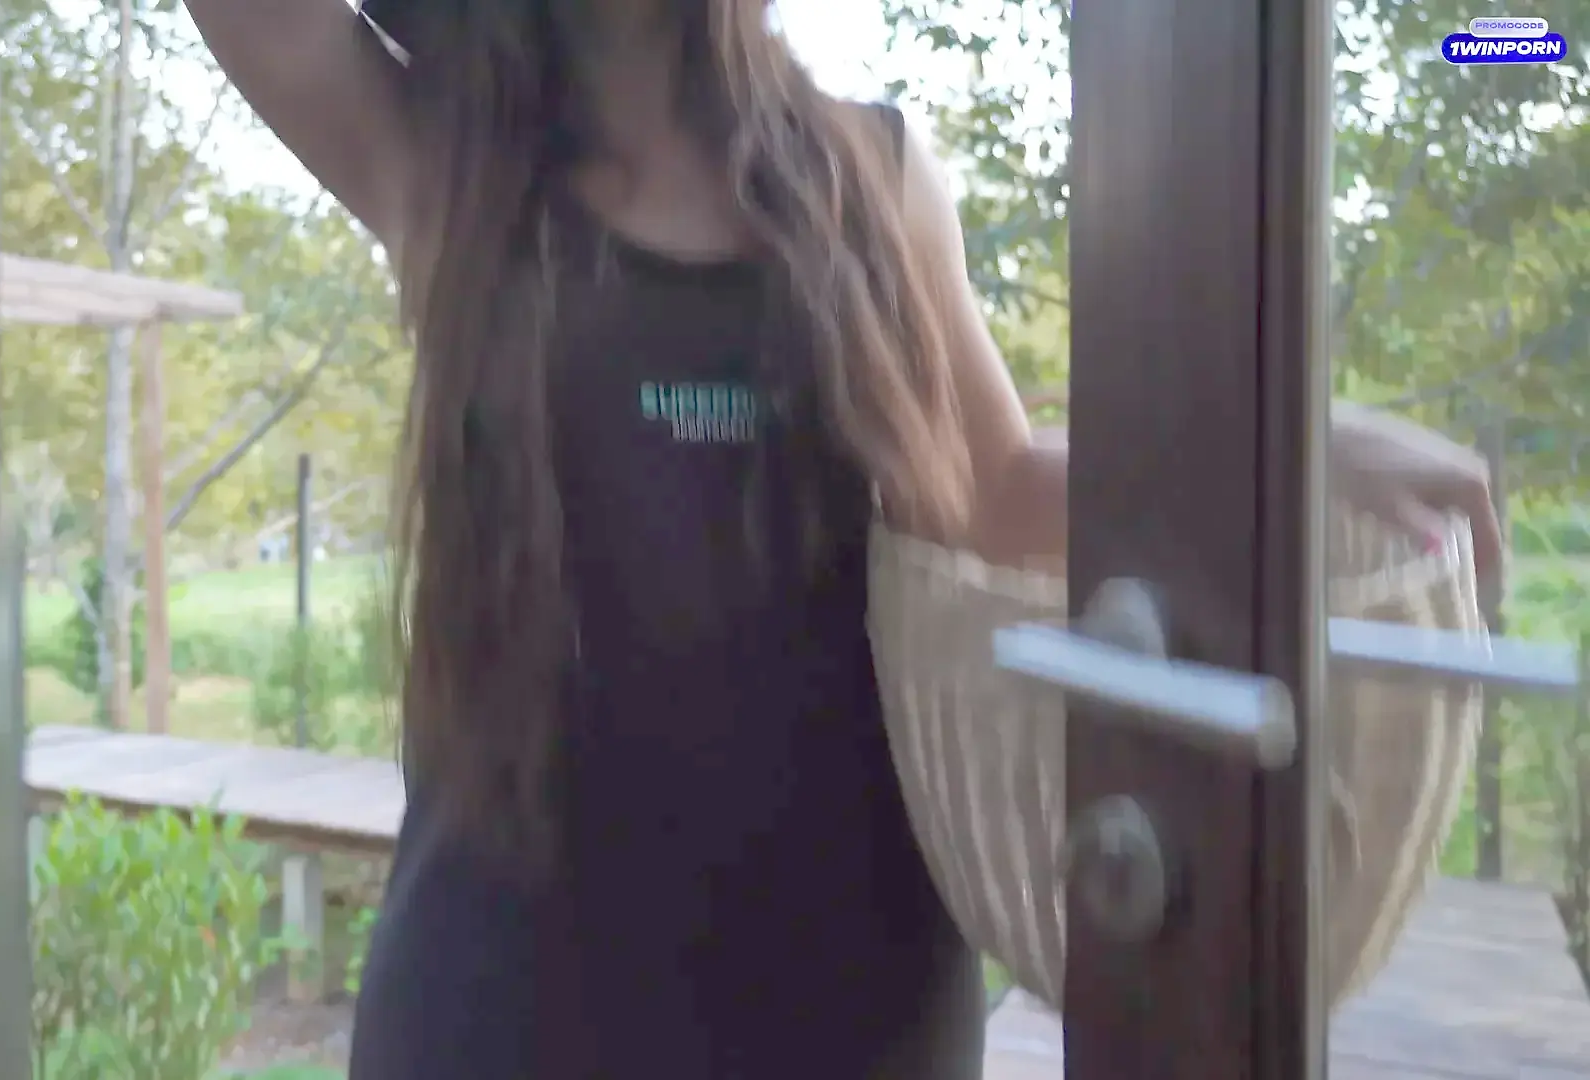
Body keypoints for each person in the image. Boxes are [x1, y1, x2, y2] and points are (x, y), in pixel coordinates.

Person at [184, 2, 1505, 1077]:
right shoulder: (441, 156)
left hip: (850, 1001)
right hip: (507, 1004)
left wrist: (1284, 441)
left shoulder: (870, 169)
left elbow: (990, 489)